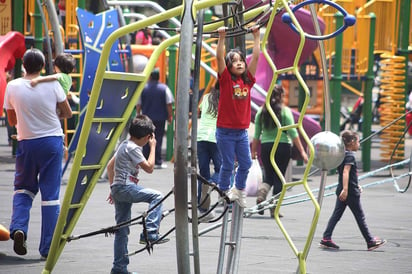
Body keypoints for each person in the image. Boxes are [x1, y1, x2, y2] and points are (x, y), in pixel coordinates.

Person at [3, 48, 72, 258]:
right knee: (50, 195)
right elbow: (67, 112)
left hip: (26, 143)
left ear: (23, 65)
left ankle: (19, 228)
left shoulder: (12, 86)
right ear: (43, 67)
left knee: (23, 189)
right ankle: (47, 247)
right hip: (51, 142)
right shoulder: (53, 84)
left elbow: (12, 120)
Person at [107, 115, 169, 274]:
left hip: (119, 188)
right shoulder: (134, 147)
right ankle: (150, 232)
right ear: (147, 137)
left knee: (122, 230)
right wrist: (154, 147)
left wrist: (113, 189)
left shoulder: (123, 145)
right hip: (126, 187)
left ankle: (119, 268)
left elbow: (110, 167)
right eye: (149, 138)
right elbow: (149, 168)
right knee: (157, 196)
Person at [215, 25, 260, 207]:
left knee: (246, 163)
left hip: (241, 132)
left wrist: (256, 36)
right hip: (225, 132)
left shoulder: (247, 81)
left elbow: (256, 57)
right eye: (235, 61)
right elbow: (219, 57)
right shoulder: (226, 80)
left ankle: (239, 190)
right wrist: (222, 37)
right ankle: (223, 191)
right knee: (227, 164)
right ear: (229, 66)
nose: (240, 63)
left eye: (241, 60)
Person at [319, 130, 386, 251]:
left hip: (343, 189)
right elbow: (346, 172)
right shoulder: (350, 155)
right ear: (352, 142)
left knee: (336, 215)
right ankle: (370, 241)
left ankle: (326, 238)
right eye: (358, 141)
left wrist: (354, 185)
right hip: (349, 192)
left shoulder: (341, 154)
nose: (359, 144)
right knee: (360, 216)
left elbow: (348, 175)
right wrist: (346, 189)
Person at [251, 85, 308, 216]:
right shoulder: (285, 111)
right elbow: (293, 133)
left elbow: (256, 134)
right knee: (279, 179)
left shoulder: (261, 111)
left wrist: (253, 151)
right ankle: (274, 207)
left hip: (266, 147)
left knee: (268, 176)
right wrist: (302, 152)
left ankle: (262, 194)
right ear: (281, 96)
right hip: (282, 147)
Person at [136, 68, 174, 169]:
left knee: (145, 138)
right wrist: (170, 116)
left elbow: (138, 104)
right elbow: (169, 104)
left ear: (150, 76)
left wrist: (138, 114)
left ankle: (144, 160)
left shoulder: (144, 88)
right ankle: (157, 161)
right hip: (160, 118)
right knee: (158, 138)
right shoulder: (164, 88)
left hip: (146, 118)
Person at [197, 83, 221, 221]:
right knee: (222, 168)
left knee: (203, 174)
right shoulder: (225, 99)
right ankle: (212, 184)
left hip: (201, 137)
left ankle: (203, 208)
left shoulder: (206, 97)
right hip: (216, 138)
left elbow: (200, 110)